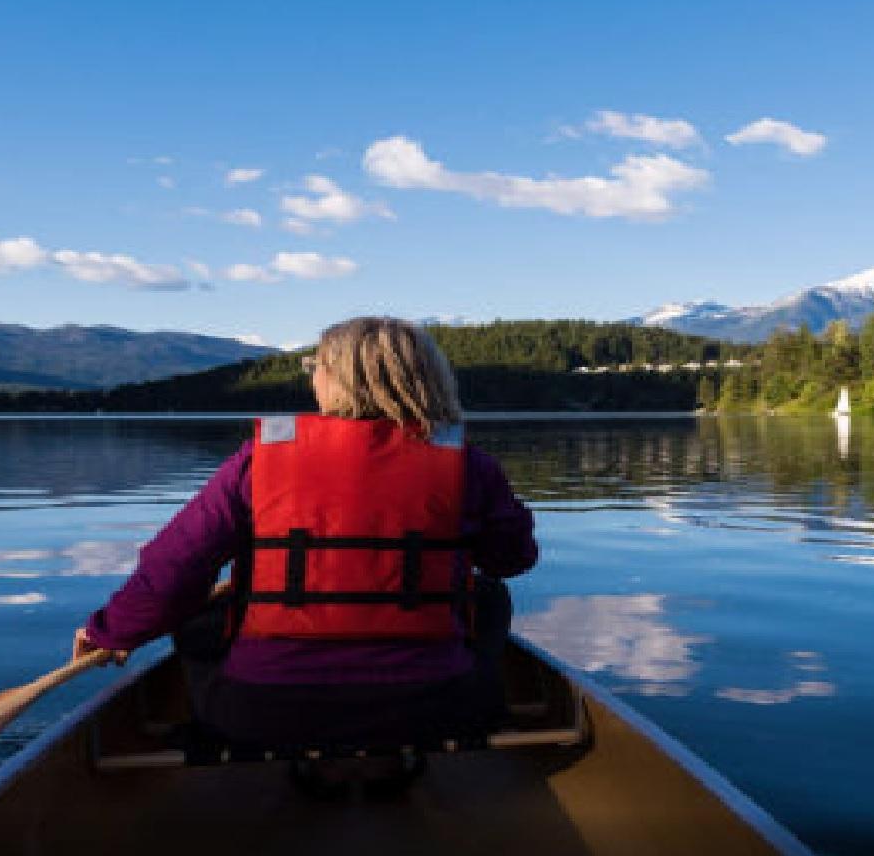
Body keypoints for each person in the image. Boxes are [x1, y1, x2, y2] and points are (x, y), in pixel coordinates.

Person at [72, 316, 537, 769]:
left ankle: (207, 726)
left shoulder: (259, 463)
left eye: (316, 365)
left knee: (203, 617)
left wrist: (111, 632)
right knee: (490, 595)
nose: (313, 375)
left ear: (334, 378)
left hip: (263, 713)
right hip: (437, 707)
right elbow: (512, 559)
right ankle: (478, 707)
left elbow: (173, 568)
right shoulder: (470, 467)